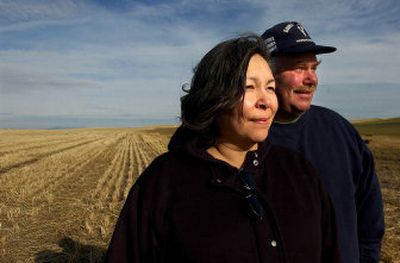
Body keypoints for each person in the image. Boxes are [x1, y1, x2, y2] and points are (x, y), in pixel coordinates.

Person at [105, 35, 341, 262]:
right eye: (249, 87)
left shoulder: (299, 171)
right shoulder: (163, 182)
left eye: (270, 88)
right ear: (215, 96)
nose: (266, 102)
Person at [261, 21, 385, 263]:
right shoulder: (242, 142)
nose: (311, 79)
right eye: (299, 68)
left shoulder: (339, 130)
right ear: (269, 74)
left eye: (314, 68)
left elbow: (369, 212)